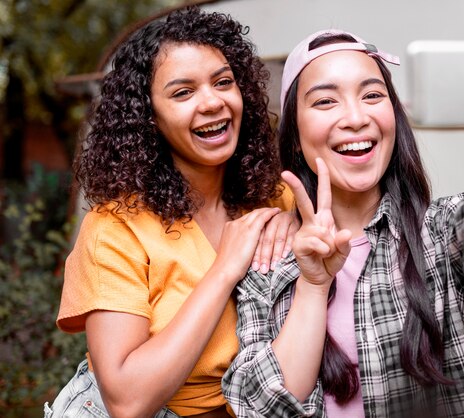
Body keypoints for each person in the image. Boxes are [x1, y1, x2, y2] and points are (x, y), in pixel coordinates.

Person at [221, 28, 464, 417]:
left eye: (373, 95)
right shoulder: (267, 258)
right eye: (325, 101)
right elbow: (264, 408)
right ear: (294, 133)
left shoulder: (439, 235)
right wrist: (312, 283)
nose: (356, 117)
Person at [46, 6, 296, 418]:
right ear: (149, 118)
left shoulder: (276, 197)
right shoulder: (114, 228)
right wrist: (225, 269)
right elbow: (128, 401)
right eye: (183, 92)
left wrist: (295, 222)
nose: (212, 102)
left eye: (223, 82)